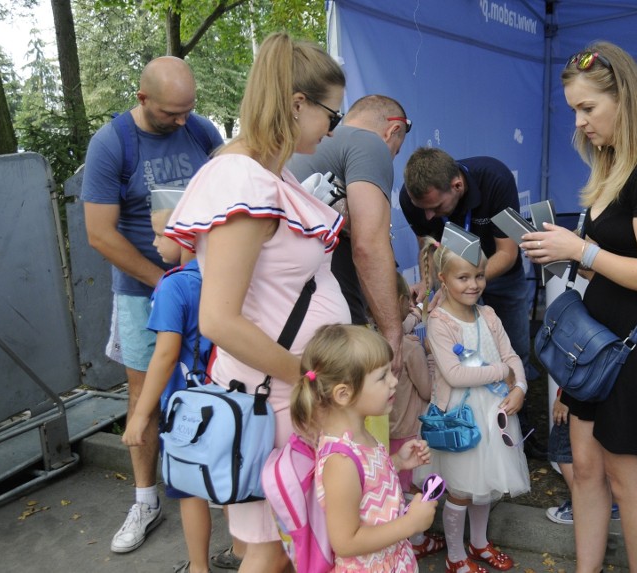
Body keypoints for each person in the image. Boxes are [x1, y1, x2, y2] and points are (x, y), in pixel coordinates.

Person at [165, 32, 348, 573]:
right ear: (297, 104)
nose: (331, 129)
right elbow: (218, 319)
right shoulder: (242, 178)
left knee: (286, 544)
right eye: (330, 116)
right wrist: (308, 378)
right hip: (278, 399)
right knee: (270, 549)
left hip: (290, 396)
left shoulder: (266, 173)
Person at [522, 42, 637, 573]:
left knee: (628, 482)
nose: (579, 124)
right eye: (574, 110)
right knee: (584, 469)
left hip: (633, 348)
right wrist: (571, 250)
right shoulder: (617, 164)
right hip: (596, 341)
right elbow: (611, 256)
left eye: (588, 109)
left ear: (623, 98)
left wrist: (581, 250)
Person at [80, 56, 223, 554]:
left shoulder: (200, 129)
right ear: (143, 100)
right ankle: (146, 499)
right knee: (145, 395)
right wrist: (165, 281)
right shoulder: (112, 143)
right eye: (171, 114)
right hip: (145, 291)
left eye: (189, 111)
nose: (182, 122)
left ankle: (217, 479)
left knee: (215, 381)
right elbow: (100, 234)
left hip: (206, 283)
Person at [399, 148, 544, 459]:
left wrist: (467, 283)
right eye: (421, 208)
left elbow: (507, 253)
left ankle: (518, 430)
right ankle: (458, 428)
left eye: (436, 207)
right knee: (453, 356)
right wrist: (427, 286)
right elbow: (427, 249)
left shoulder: (494, 179)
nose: (428, 216)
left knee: (513, 348)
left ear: (457, 186)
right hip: (450, 281)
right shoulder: (414, 198)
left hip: (500, 275)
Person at [415, 237, 531, 573]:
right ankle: (455, 555)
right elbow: (453, 374)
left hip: (495, 412)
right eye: (463, 278)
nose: (473, 284)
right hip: (460, 418)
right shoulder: (439, 322)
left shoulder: (489, 315)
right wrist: (504, 372)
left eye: (478, 276)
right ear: (444, 280)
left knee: (486, 488)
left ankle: (479, 543)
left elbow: (510, 354)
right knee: (463, 490)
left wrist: (520, 386)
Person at [121, 187, 216, 573]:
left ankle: (198, 567)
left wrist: (141, 416)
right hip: (229, 402)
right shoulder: (221, 277)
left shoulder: (174, 285)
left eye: (161, 234)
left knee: (189, 490)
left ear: (187, 235)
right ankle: (244, 554)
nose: (153, 242)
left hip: (187, 412)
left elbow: (163, 355)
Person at [290, 324, 437, 572]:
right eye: (382, 376)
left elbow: (367, 485)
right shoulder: (341, 462)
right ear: (344, 394)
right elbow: (345, 542)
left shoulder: (360, 434)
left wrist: (396, 462)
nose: (394, 381)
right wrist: (410, 524)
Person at [288, 95, 411, 376]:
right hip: (333, 322)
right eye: (396, 149)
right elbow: (368, 247)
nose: (391, 156)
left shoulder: (304, 146)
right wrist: (393, 334)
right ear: (393, 131)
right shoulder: (369, 144)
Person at [385, 272, 445, 559]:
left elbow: (402, 325)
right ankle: (417, 539)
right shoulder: (410, 347)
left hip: (385, 428)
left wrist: (413, 316)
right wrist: (432, 361)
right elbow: (425, 389)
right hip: (410, 427)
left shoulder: (373, 339)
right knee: (413, 486)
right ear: (400, 300)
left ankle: (395, 532)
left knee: (394, 483)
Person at [545, 388, 619, 526]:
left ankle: (586, 508)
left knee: (563, 452)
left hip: (578, 398)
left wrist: (563, 396)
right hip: (607, 400)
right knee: (603, 455)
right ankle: (611, 505)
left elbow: (577, 369)